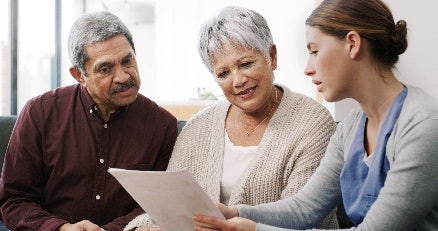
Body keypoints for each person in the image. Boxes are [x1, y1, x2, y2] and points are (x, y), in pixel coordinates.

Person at [192, 0, 438, 230]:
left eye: (315, 51)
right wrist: (233, 213)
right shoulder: (351, 128)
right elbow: (304, 208)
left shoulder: (423, 127)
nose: (308, 69)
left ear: (352, 44)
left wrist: (255, 228)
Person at [124, 6, 338, 231]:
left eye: (246, 64)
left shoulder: (313, 123)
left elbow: (305, 218)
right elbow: (168, 207)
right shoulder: (198, 127)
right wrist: (145, 227)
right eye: (223, 73)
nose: (237, 81)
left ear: (272, 56)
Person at [0, 11, 178, 231]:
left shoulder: (162, 126)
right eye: (105, 69)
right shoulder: (39, 113)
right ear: (79, 75)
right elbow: (14, 200)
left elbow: (156, 204)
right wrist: (61, 228)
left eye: (127, 60)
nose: (123, 76)